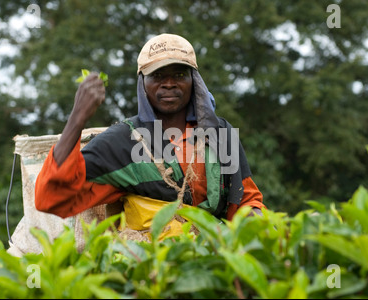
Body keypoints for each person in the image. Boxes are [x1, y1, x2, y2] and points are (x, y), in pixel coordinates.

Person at [35, 33, 265, 231]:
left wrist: (261, 226)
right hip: (149, 265)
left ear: (194, 81)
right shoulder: (123, 141)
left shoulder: (218, 134)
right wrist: (77, 117)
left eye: (179, 75)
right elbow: (51, 199)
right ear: (142, 83)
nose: (169, 84)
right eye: (157, 76)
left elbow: (245, 199)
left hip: (212, 258)